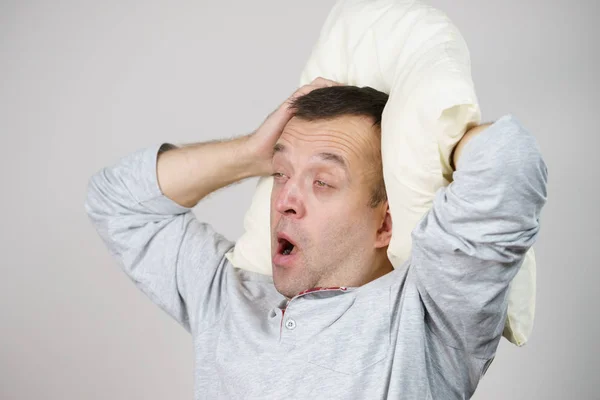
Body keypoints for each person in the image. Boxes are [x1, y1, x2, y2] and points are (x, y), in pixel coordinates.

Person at [85, 77, 548, 399]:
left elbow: (508, 160)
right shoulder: (229, 301)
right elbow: (117, 201)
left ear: (385, 223)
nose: (285, 198)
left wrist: (424, 138)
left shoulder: (428, 317)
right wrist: (250, 153)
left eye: (322, 182)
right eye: (281, 174)